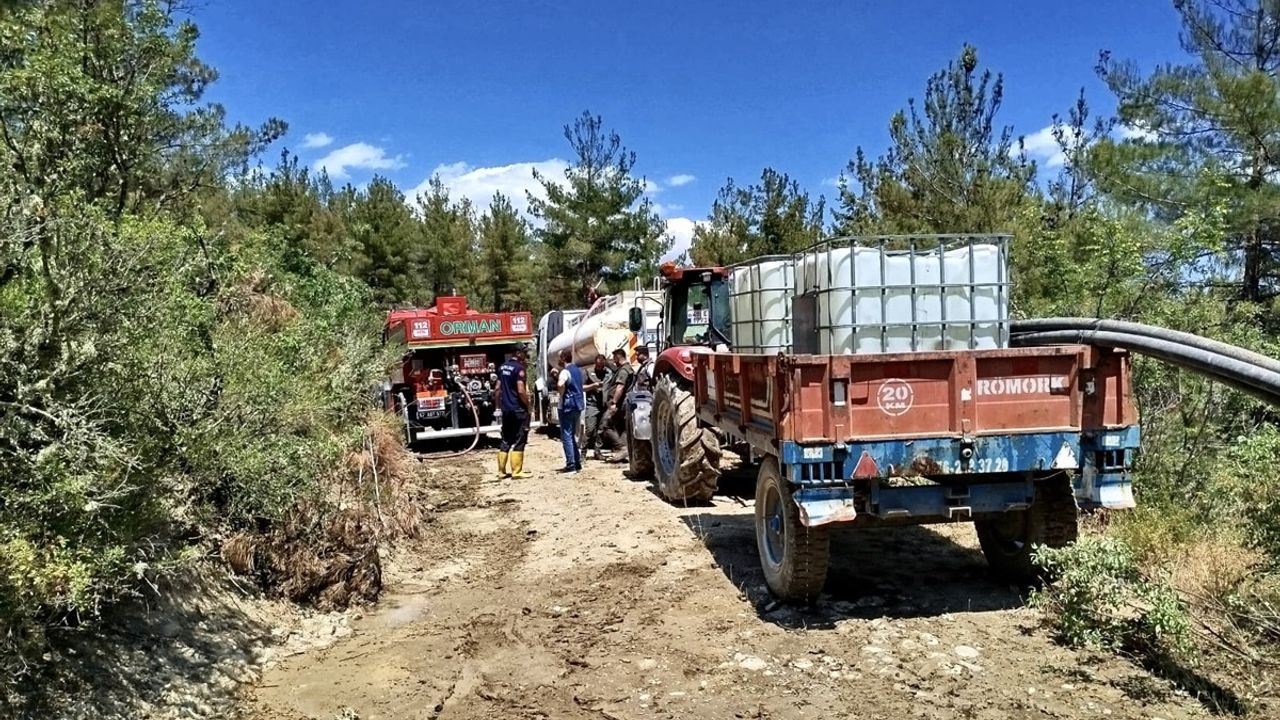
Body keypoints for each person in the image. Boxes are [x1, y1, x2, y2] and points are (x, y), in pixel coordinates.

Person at [493, 344, 532, 479]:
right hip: (518, 409)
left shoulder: (502, 367)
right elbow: (521, 390)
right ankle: (516, 471)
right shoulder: (519, 369)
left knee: (506, 439)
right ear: (518, 353)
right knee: (520, 438)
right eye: (523, 352)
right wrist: (528, 405)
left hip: (506, 410)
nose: (525, 355)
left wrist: (497, 407)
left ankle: (501, 471)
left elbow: (497, 389)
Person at [556, 349, 585, 474]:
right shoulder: (578, 370)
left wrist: (561, 395)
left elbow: (561, 384)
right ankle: (577, 463)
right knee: (572, 435)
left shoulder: (564, 371)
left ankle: (571, 465)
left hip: (567, 406)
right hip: (578, 405)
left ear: (563, 358)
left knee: (566, 436)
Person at [583, 354, 613, 461]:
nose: (600, 367)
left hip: (604, 405)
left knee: (601, 430)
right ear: (595, 364)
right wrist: (593, 386)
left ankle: (597, 451)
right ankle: (583, 452)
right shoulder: (588, 372)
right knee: (590, 429)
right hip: (592, 404)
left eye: (602, 366)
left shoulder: (609, 373)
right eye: (598, 365)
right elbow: (582, 387)